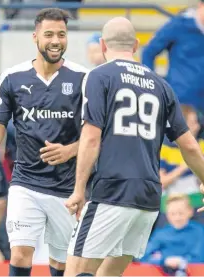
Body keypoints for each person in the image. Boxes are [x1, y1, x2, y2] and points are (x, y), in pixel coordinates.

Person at [64, 16, 204, 276]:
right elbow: (191, 146)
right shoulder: (161, 85)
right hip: (148, 198)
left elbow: (91, 137)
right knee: (107, 274)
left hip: (112, 191)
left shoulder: (99, 76)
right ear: (136, 45)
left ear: (103, 45)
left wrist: (78, 189)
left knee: (76, 271)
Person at [0, 8, 88, 277]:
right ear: (35, 37)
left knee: (61, 262)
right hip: (25, 183)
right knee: (20, 252)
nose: (56, 40)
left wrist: (70, 150)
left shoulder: (83, 78)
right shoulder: (13, 78)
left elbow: (96, 134)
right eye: (49, 34)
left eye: (61, 34)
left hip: (66, 187)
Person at [142, 0, 204, 112]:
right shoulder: (179, 25)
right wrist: (151, 87)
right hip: (182, 102)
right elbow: (148, 52)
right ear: (200, 5)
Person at [141, 194, 204, 276]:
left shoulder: (198, 231)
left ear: (190, 211)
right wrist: (164, 261)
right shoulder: (160, 233)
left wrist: (181, 261)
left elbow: (199, 257)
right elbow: (144, 257)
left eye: (181, 213)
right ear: (166, 214)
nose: (177, 218)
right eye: (172, 214)